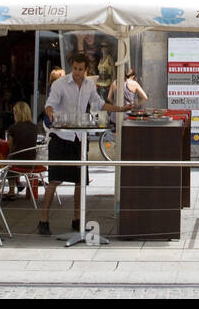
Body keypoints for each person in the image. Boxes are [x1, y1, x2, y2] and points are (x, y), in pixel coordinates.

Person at [38, 54, 132, 236]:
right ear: (71, 67)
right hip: (60, 136)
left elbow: (98, 104)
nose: (78, 73)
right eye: (75, 69)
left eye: (81, 69)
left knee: (80, 181)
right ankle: (43, 220)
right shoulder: (60, 84)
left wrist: (120, 109)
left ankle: (77, 219)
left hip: (79, 138)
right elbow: (50, 104)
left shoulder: (89, 85)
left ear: (86, 70)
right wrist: (49, 113)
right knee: (54, 180)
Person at [5, 101, 41, 201]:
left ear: (17, 113)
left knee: (10, 158)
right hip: (31, 161)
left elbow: (10, 147)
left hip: (17, 162)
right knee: (16, 157)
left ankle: (11, 190)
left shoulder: (13, 128)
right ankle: (18, 183)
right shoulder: (34, 127)